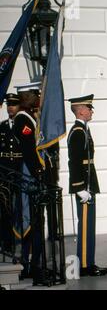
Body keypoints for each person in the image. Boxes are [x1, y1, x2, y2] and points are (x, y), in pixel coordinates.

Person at [67, 94, 107, 277]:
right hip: (83, 185)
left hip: (89, 183)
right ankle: (84, 265)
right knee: (85, 226)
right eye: (89, 108)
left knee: (89, 225)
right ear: (81, 110)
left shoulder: (83, 129)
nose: (91, 111)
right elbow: (74, 162)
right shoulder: (77, 131)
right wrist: (79, 188)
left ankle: (88, 262)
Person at [12, 82, 44, 280]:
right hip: (28, 176)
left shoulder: (29, 117)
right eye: (35, 94)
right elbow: (29, 152)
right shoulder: (23, 120)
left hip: (29, 175)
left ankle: (33, 262)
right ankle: (28, 264)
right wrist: (38, 171)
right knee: (31, 221)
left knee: (35, 222)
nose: (38, 96)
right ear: (28, 97)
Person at [0, 93, 22, 254]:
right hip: (5, 172)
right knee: (6, 209)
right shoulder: (2, 126)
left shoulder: (23, 125)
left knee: (21, 207)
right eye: (8, 105)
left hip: (20, 172)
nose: (10, 108)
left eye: (13, 105)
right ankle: (7, 242)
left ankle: (21, 238)